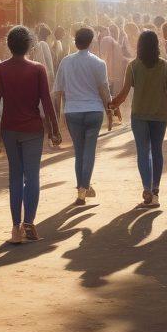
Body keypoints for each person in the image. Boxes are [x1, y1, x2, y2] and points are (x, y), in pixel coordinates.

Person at [0, 26, 60, 245]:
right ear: (30, 45)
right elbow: (46, 102)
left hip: (9, 128)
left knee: (15, 177)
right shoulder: (37, 69)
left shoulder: (1, 69)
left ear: (9, 45)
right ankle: (29, 224)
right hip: (32, 128)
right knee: (32, 176)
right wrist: (55, 128)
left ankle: (15, 228)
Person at [111, 29, 167, 207]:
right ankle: (155, 190)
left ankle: (146, 188)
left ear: (139, 46)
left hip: (139, 115)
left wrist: (112, 103)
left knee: (143, 151)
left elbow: (124, 93)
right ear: (157, 46)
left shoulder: (133, 66)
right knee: (157, 151)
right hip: (160, 115)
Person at [53, 27, 113, 205]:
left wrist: (59, 116)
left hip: (72, 111)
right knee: (89, 151)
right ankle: (83, 187)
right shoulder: (98, 63)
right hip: (94, 110)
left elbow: (58, 91)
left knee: (79, 151)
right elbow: (104, 90)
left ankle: (82, 187)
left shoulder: (66, 62)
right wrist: (109, 110)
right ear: (92, 41)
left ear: (75, 41)